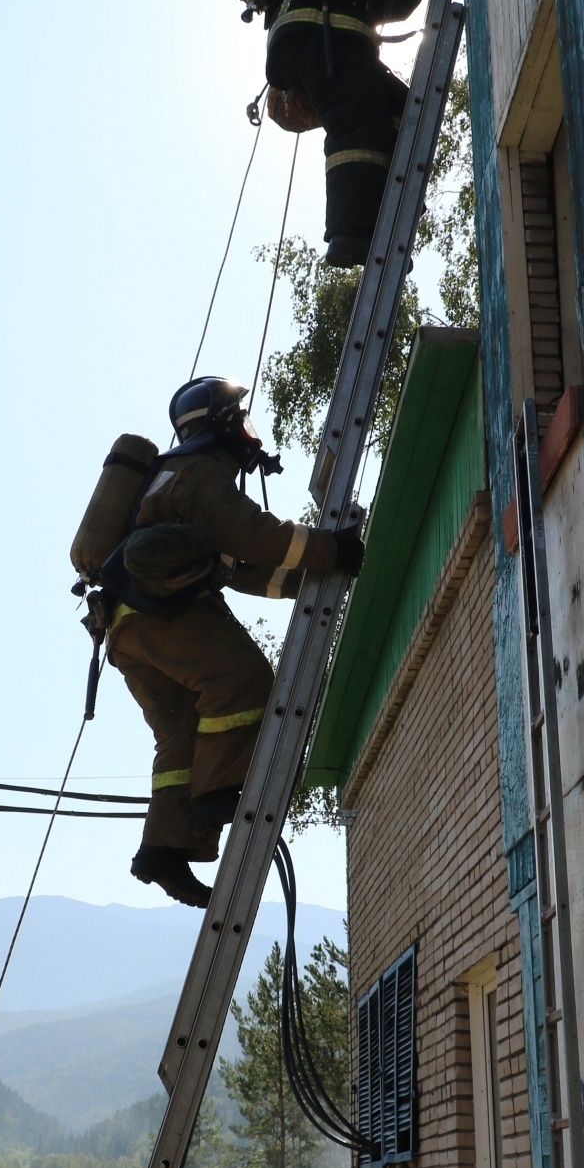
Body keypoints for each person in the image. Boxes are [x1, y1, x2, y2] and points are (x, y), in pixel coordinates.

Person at [100, 376, 364, 909]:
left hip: (124, 626)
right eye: (240, 419)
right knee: (243, 682)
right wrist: (332, 550)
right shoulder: (200, 474)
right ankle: (217, 796)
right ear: (220, 425)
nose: (249, 431)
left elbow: (242, 568)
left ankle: (164, 850)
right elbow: (255, 536)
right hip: (166, 613)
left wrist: (308, 583)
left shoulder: (171, 478)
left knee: (181, 732)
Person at [263, 0, 446, 267]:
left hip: (308, 42)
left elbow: (395, 5)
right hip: (323, 36)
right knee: (354, 119)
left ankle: (387, 211)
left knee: (401, 106)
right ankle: (350, 234)